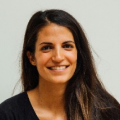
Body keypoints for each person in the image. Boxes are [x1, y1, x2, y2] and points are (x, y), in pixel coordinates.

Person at [0, 9, 120, 120]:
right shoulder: (8, 114)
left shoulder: (108, 112)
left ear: (78, 53)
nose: (58, 57)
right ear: (31, 57)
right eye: (46, 48)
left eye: (67, 46)